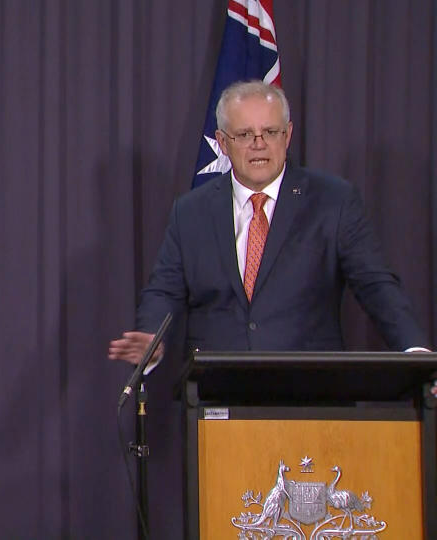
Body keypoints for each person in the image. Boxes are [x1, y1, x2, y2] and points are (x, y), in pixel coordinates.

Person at [109, 80, 427, 368]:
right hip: (217, 396)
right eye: (245, 134)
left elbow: (376, 285)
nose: (258, 144)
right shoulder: (191, 211)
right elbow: (164, 290)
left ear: (287, 136)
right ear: (222, 141)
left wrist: (415, 351)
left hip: (309, 397)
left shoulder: (333, 201)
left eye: (270, 132)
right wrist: (151, 337)